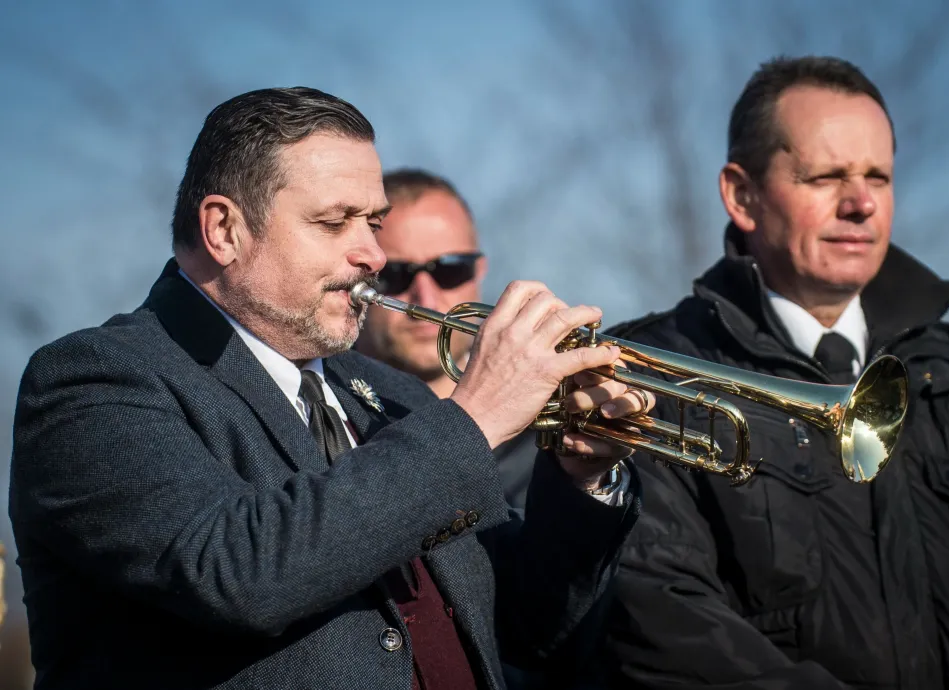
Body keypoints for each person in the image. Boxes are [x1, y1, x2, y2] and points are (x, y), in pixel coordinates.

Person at [8, 87, 649, 690]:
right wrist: (474, 418)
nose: (372, 254)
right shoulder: (94, 380)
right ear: (224, 230)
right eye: (334, 222)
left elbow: (523, 624)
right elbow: (238, 574)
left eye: (373, 221)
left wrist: (580, 478)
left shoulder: (389, 391)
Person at [603, 56, 949, 689]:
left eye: (879, 177)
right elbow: (663, 620)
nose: (861, 203)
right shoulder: (651, 378)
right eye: (827, 176)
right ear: (742, 195)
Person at [355, 168, 540, 517]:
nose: (425, 297)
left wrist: (592, 479)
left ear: (479, 271)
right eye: (394, 274)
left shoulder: (543, 418)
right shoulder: (321, 413)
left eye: (450, 269)